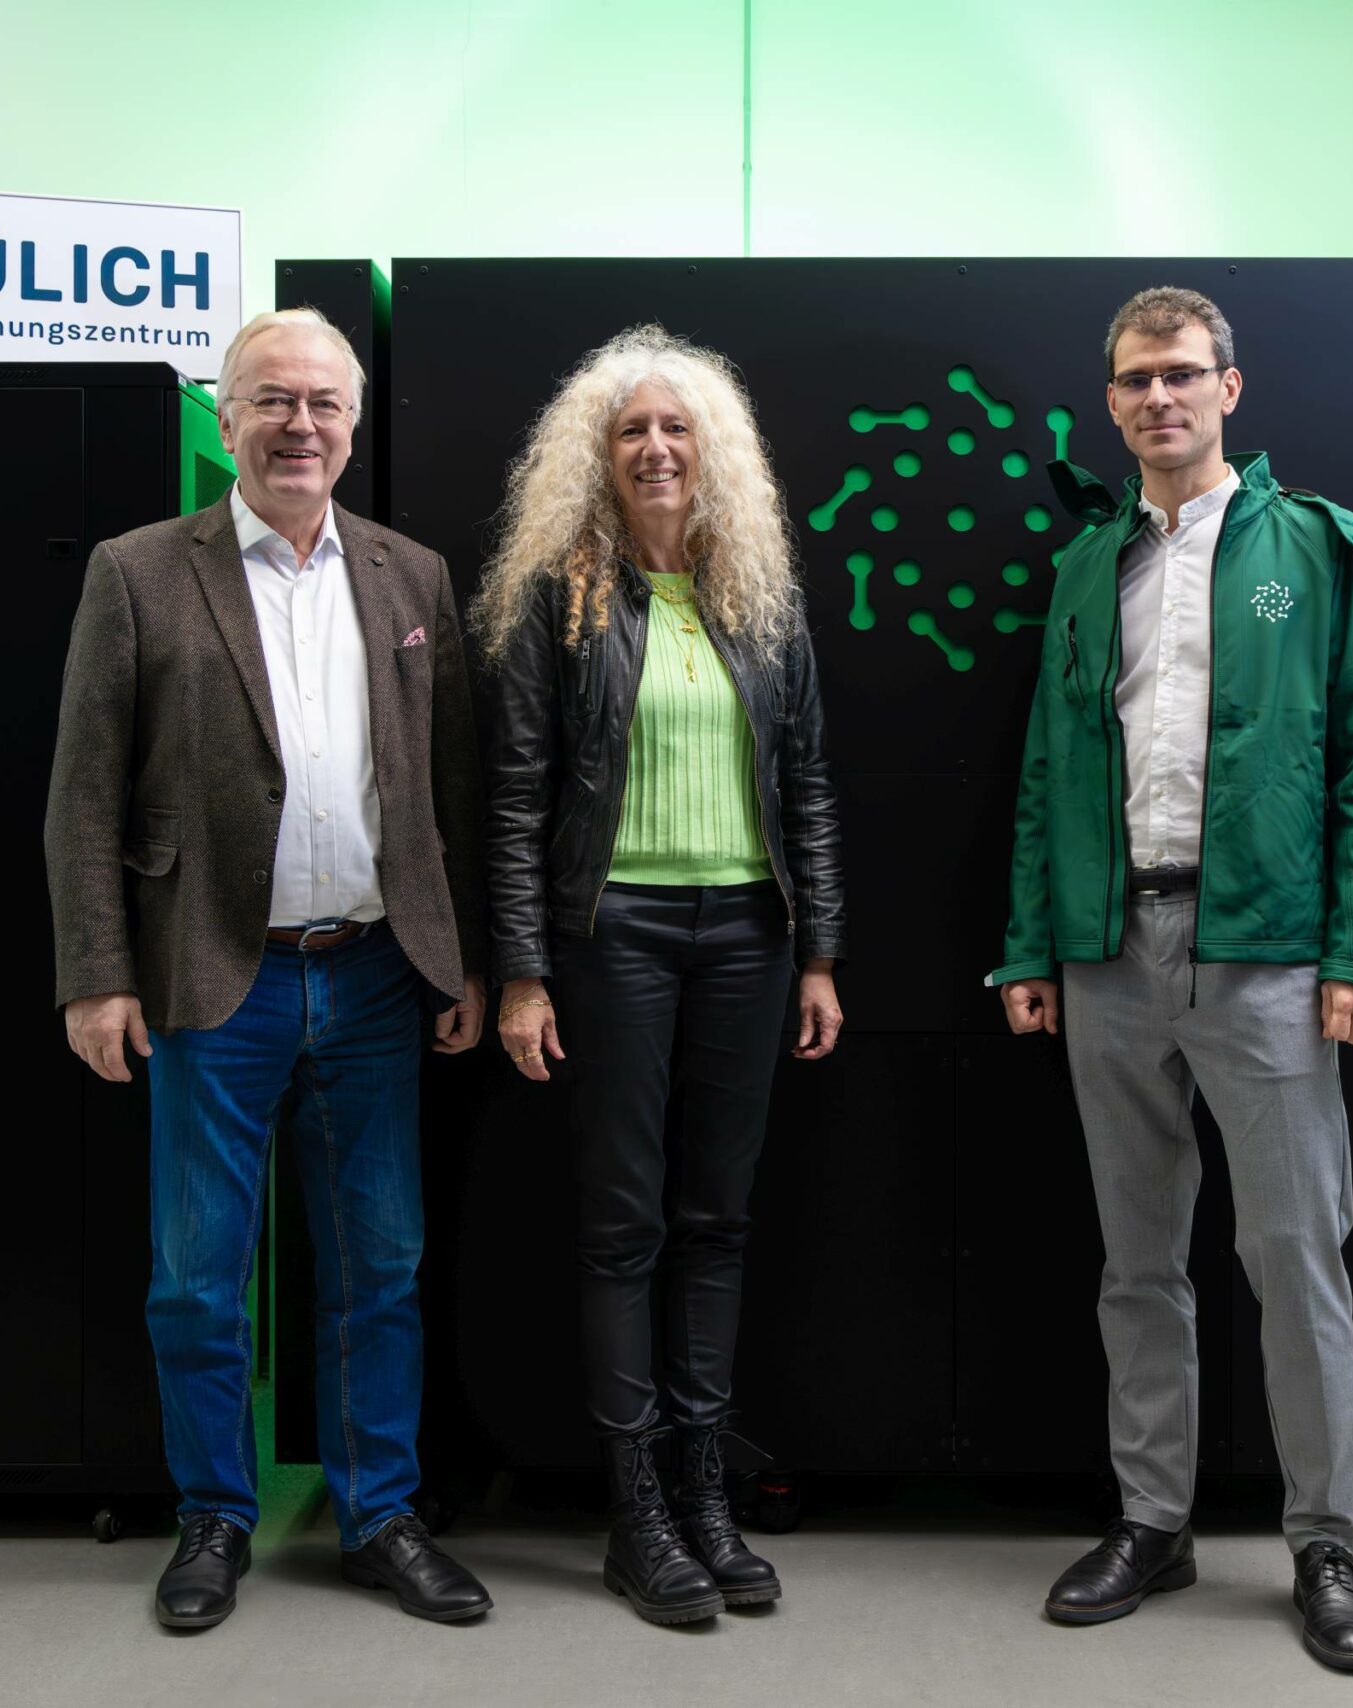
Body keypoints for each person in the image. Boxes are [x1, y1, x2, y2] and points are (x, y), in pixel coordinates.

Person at [44, 307, 494, 1630]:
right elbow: (82, 795)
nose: (300, 425)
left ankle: (380, 1515)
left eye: (324, 404)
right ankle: (213, 1519)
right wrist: (94, 973)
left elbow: (449, 787)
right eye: (272, 400)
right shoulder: (138, 572)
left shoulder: (411, 577)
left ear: (353, 425)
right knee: (197, 1273)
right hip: (206, 976)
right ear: (227, 418)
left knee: (381, 1265)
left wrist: (457, 962)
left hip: (373, 978)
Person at [992, 287, 1353, 1673]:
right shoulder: (1086, 566)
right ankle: (1153, 1523)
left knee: (1293, 1256)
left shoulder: (1314, 548)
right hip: (1109, 953)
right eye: (1132, 381)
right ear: (1110, 402)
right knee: (1137, 1260)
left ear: (1231, 387)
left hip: (1269, 955)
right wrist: (1028, 945)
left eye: (1180, 374)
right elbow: (1052, 772)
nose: (1156, 399)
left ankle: (1326, 1544)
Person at [476, 324, 847, 1626]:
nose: (654, 447)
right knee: (625, 1224)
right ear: (600, 453)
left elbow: (805, 788)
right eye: (632, 429)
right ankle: (637, 1515)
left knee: (719, 1221)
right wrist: (522, 976)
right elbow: (516, 801)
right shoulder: (555, 599)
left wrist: (819, 954)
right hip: (613, 941)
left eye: (676, 428)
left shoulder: (760, 600)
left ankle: (703, 1494)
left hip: (747, 939)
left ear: (712, 453)